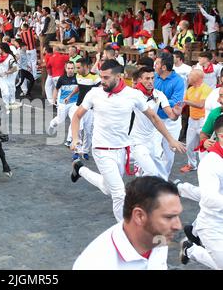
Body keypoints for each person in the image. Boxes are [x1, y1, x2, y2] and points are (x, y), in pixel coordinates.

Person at [70, 59, 185, 221]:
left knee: (107, 187)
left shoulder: (133, 95)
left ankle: (79, 169)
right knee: (119, 194)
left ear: (119, 76)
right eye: (101, 77)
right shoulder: (94, 93)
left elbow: (154, 117)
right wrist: (75, 138)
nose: (102, 81)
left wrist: (170, 139)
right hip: (101, 149)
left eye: (106, 78)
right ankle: (125, 234)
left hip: (122, 150)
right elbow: (77, 115)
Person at [73, 176, 183, 270]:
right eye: (169, 217)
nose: (178, 226)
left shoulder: (157, 238)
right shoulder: (95, 265)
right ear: (139, 216)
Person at [180, 115, 223, 269]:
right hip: (213, 227)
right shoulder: (211, 163)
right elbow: (210, 199)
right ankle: (192, 250)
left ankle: (190, 249)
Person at [130, 66, 182, 178]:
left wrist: (176, 114)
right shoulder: (133, 95)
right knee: (150, 172)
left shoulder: (159, 94)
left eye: (152, 78)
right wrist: (171, 140)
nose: (150, 81)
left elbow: (171, 116)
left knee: (160, 173)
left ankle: (161, 191)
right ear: (140, 80)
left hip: (152, 138)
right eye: (147, 78)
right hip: (136, 139)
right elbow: (154, 118)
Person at [152, 52, 185, 180]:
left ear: (164, 67)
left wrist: (158, 100)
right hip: (155, 120)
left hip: (172, 122)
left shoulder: (179, 81)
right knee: (154, 151)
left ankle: (163, 179)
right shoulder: (154, 77)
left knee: (169, 153)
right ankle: (153, 176)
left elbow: (176, 102)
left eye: (157, 63)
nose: (155, 65)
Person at [180, 70, 212, 173]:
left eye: (190, 76)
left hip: (203, 121)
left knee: (205, 145)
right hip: (192, 120)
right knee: (189, 145)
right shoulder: (190, 90)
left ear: (197, 78)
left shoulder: (206, 89)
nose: (188, 77)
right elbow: (183, 104)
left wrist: (186, 101)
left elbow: (201, 105)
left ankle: (206, 167)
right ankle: (192, 165)